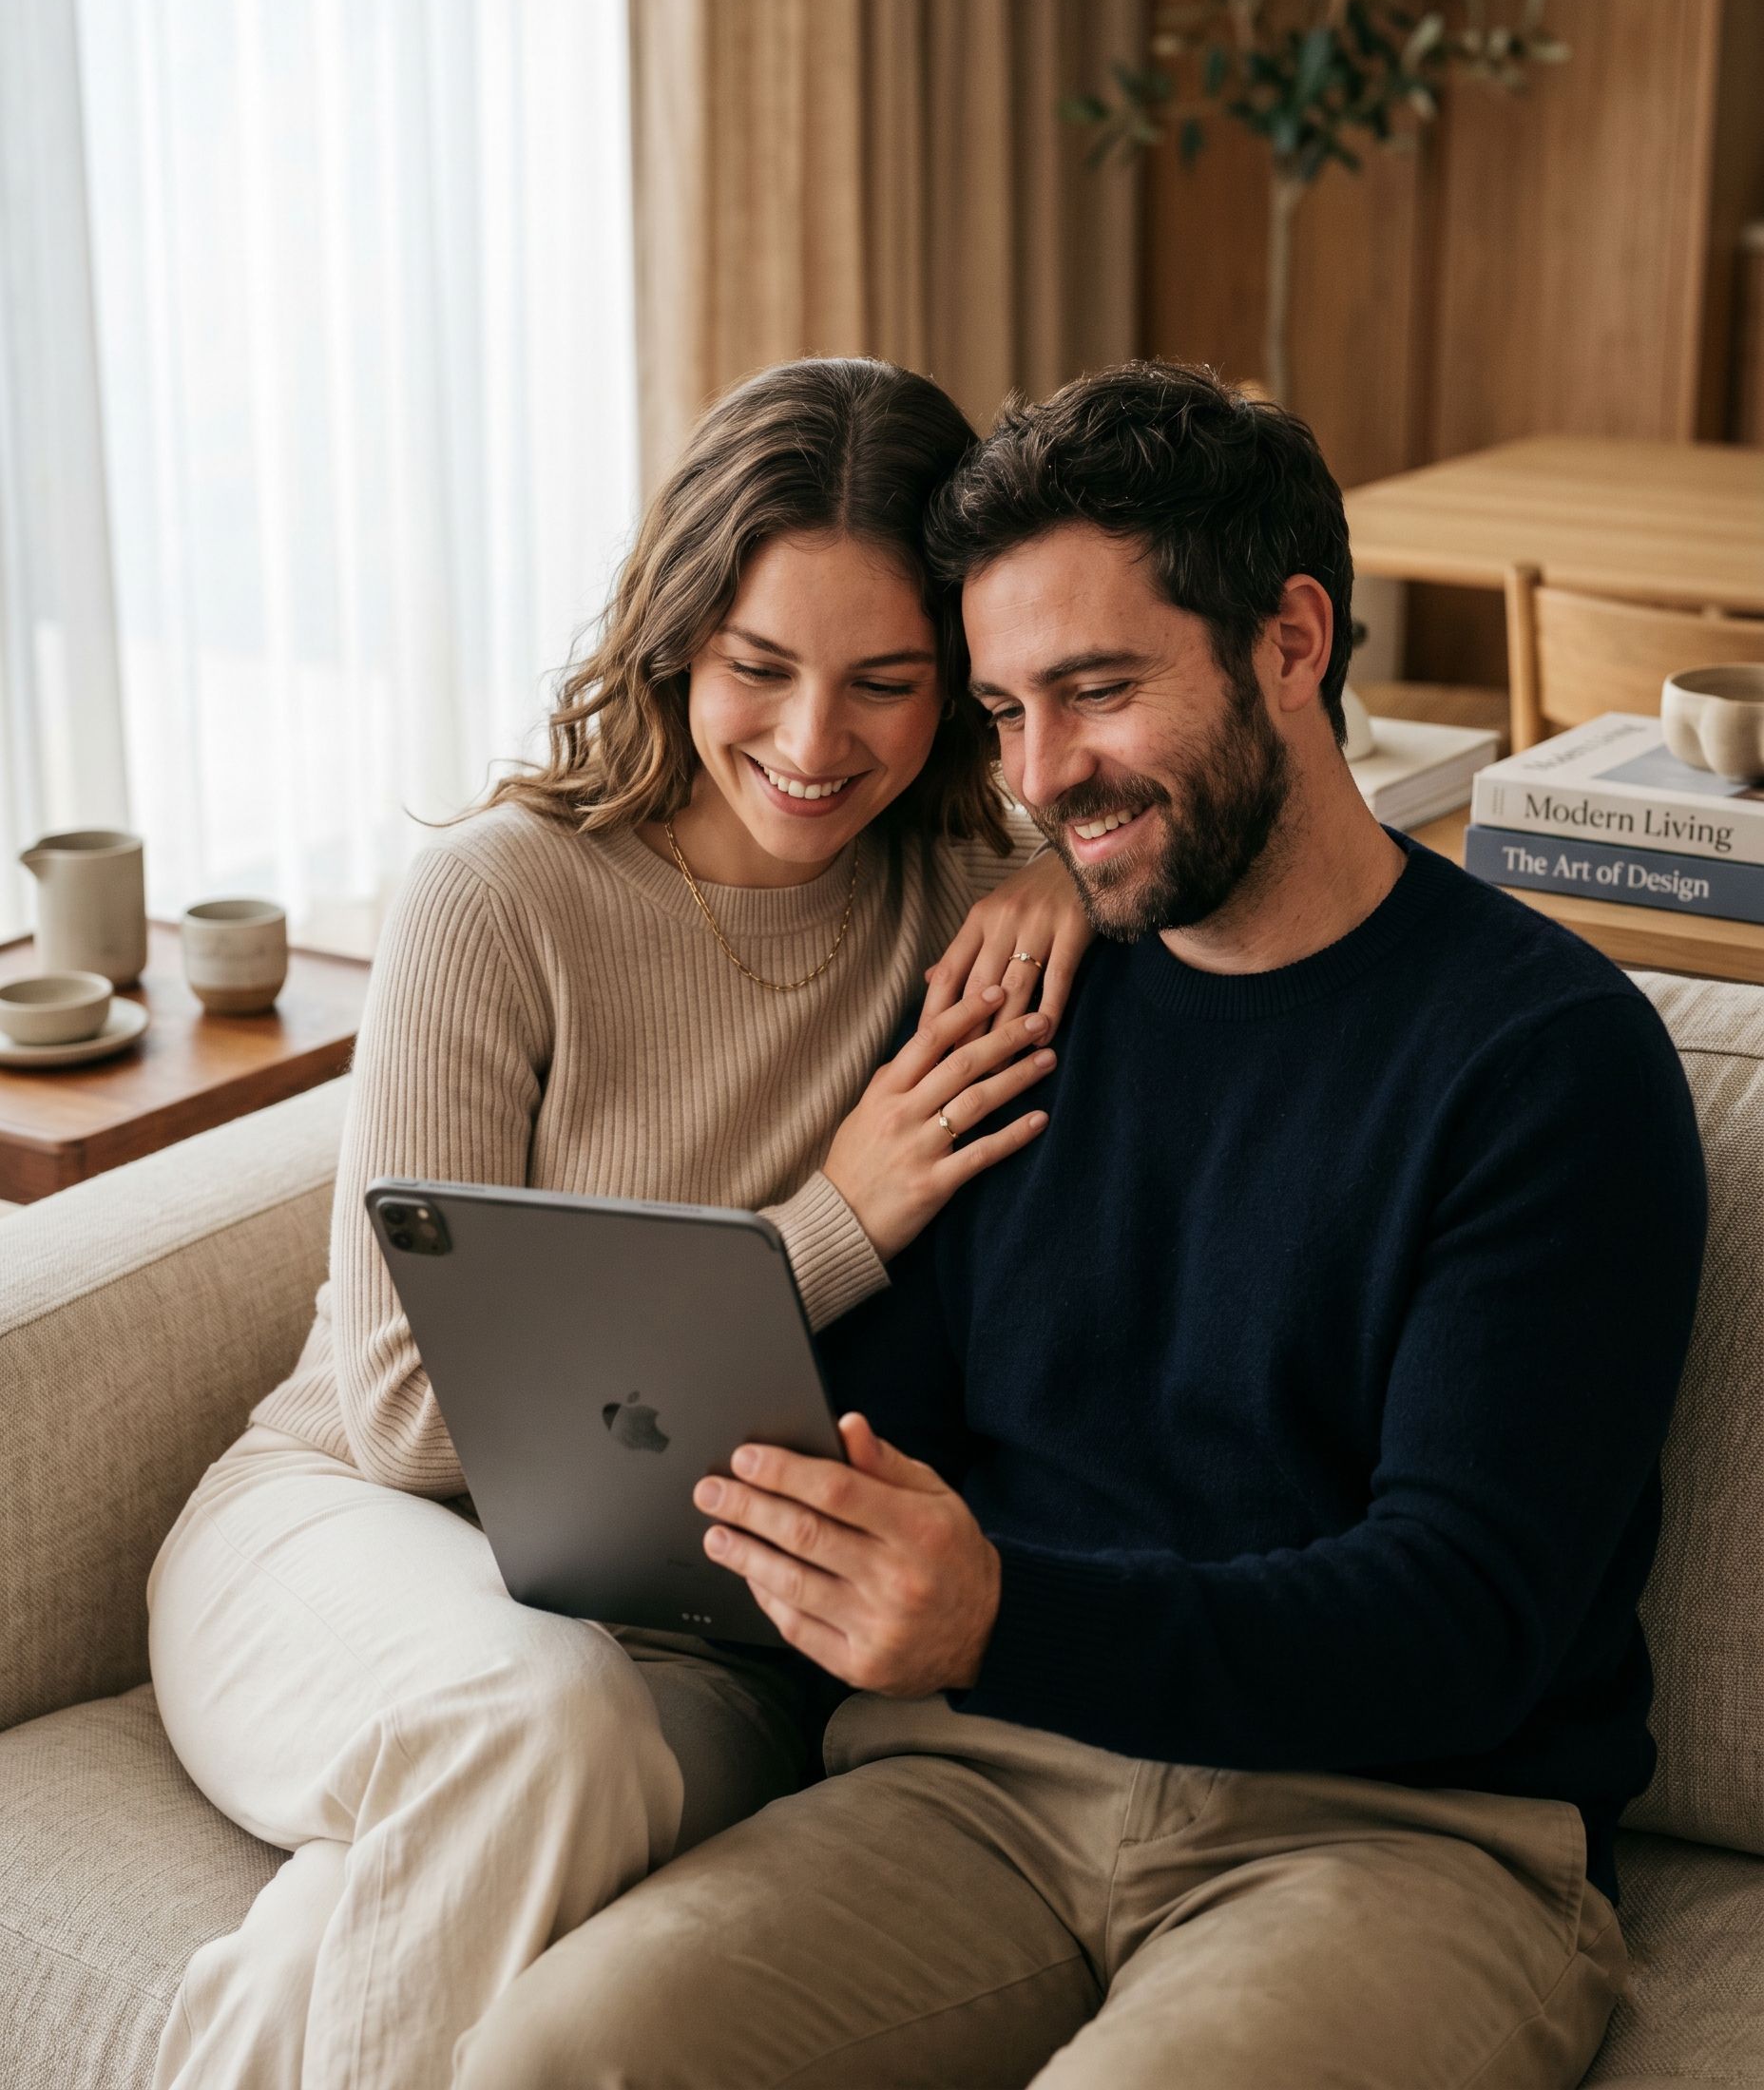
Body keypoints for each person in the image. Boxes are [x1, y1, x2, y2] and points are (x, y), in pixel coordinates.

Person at [457, 361, 1709, 2090]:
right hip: (974, 1787)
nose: (1047, 777)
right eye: (1003, 713)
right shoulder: (1005, 1005)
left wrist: (998, 1619)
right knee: (553, 2055)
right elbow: (871, 1434)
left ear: (1291, 641)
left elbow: (1463, 1619)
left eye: (1098, 691)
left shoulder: (1549, 1065)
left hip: (1398, 1833)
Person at [145, 356, 1094, 2090]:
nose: (815, 747)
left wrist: (1067, 867)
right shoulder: (502, 899)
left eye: (888, 685)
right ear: (674, 639)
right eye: (760, 669)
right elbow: (408, 1421)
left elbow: (1289, 793)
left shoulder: (967, 915)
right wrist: (831, 1224)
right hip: (341, 1541)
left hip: (707, 1655)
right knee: (536, 1718)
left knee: (348, 1928)